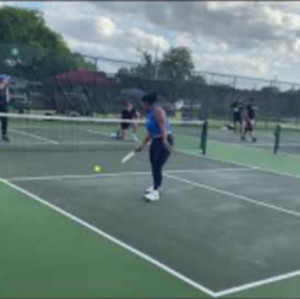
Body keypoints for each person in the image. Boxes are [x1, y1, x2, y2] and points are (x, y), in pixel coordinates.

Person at [136, 93, 173, 202]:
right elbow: (150, 132)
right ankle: (156, 185)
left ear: (147, 103)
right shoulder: (149, 114)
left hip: (164, 140)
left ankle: (156, 192)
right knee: (153, 164)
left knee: (157, 165)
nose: (141, 105)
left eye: (143, 103)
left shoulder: (158, 111)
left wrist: (165, 140)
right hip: (155, 141)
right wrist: (142, 144)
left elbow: (163, 127)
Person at [0, 75, 10, 142]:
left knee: (4, 122)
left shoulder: (6, 88)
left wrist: (8, 97)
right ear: (2, 80)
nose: (7, 81)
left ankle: (4, 135)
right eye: (6, 79)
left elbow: (7, 98)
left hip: (4, 107)